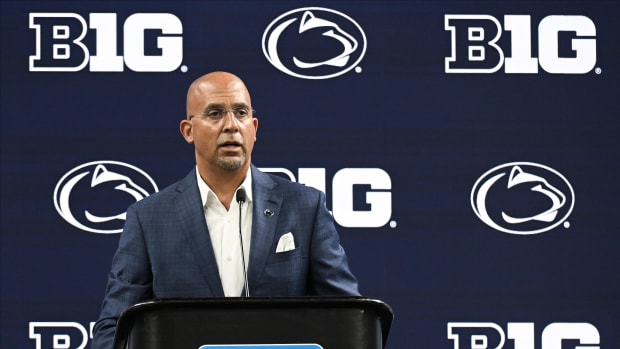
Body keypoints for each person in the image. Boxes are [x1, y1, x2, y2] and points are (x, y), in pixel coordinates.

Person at [90, 71, 360, 348]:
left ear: (254, 127)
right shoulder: (149, 218)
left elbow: (350, 319)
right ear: (188, 131)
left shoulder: (305, 208)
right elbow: (114, 328)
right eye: (215, 113)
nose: (231, 125)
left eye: (240, 113)